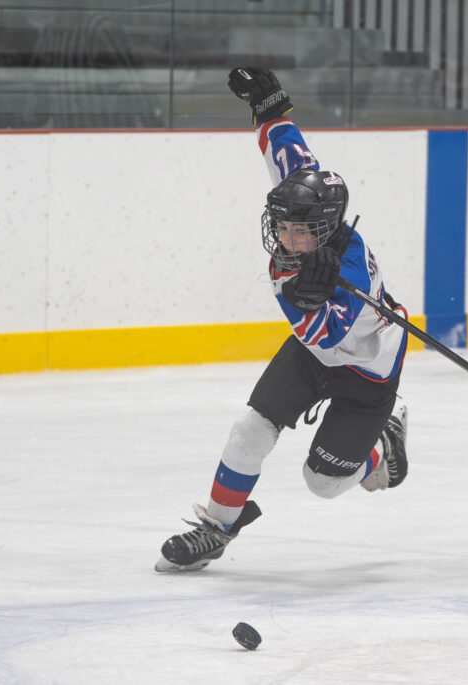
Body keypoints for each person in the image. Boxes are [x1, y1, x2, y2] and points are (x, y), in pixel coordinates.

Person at [156, 67, 409, 572]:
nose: (287, 240)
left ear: (328, 227)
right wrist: (271, 109)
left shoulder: (355, 267)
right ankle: (216, 527)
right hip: (315, 355)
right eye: (283, 228)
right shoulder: (308, 221)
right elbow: (290, 156)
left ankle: (384, 443)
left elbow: (331, 332)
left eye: (300, 232)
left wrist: (311, 298)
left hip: (367, 368)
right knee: (250, 429)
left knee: (325, 483)